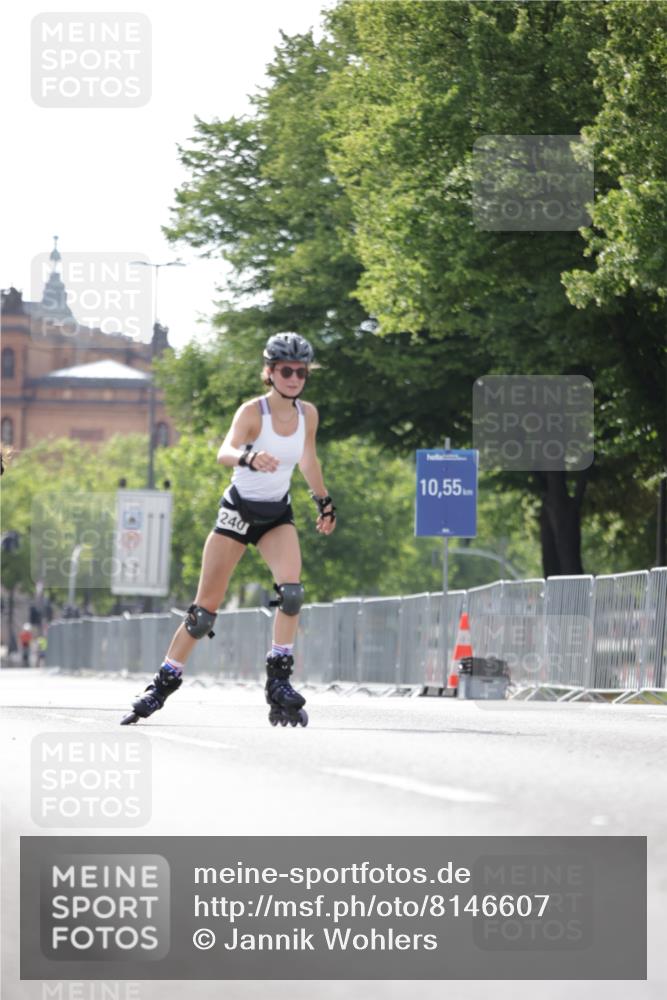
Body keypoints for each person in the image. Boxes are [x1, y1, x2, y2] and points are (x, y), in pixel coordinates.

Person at [120, 332, 336, 727]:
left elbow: (308, 460)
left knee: (292, 593)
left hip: (275, 515)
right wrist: (249, 458)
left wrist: (324, 501)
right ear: (269, 372)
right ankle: (161, 685)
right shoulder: (253, 412)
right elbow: (225, 451)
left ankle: (278, 681)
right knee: (204, 612)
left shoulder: (309, 415)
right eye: (285, 371)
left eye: (301, 372)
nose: (294, 378)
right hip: (237, 514)